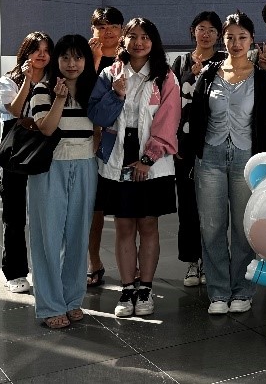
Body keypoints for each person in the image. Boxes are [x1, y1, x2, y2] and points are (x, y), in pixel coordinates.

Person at [183, 12, 266, 315]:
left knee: (243, 227)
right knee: (211, 226)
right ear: (223, 40)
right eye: (230, 37)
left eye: (242, 37)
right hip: (209, 157)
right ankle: (219, 292)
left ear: (252, 40)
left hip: (245, 159)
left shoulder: (261, 77)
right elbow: (197, 114)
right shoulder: (209, 73)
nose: (236, 43)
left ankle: (242, 291)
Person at [88, 17, 180, 319]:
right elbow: (98, 116)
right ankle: (127, 289)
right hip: (117, 162)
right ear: (124, 40)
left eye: (145, 37)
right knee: (124, 226)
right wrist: (116, 94)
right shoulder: (109, 74)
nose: (139, 42)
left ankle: (146, 289)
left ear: (153, 41)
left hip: (152, 164)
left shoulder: (165, 77)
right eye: (133, 36)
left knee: (148, 225)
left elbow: (168, 121)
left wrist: (148, 159)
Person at [27, 34, 99, 329]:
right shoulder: (42, 89)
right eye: (66, 57)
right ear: (56, 60)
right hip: (50, 168)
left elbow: (101, 125)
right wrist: (59, 98)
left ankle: (71, 299)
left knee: (79, 235)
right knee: (48, 237)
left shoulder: (92, 89)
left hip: (85, 165)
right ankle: (50, 305)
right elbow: (46, 128)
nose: (72, 63)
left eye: (78, 57)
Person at [170, 11, 225, 289]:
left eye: (212, 30)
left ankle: (213, 261)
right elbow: (170, 103)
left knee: (214, 208)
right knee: (188, 206)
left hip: (214, 142)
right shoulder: (180, 62)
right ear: (193, 31)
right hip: (185, 146)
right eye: (201, 28)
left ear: (218, 35)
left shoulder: (224, 61)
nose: (206, 34)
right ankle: (193, 260)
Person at [0, 31, 51, 295]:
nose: (41, 55)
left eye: (46, 50)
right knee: (14, 215)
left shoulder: (54, 80)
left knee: (46, 214)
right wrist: (27, 81)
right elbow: (15, 111)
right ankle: (15, 272)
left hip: (46, 151)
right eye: (36, 49)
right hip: (16, 153)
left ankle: (46, 270)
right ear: (25, 53)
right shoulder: (8, 81)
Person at [86, 6, 124, 289]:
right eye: (102, 26)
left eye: (113, 26)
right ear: (93, 30)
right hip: (92, 142)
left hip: (124, 141)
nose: (108, 31)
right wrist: (94, 60)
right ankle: (93, 261)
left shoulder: (131, 56)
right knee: (94, 208)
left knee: (126, 210)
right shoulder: (85, 58)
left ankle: (129, 266)